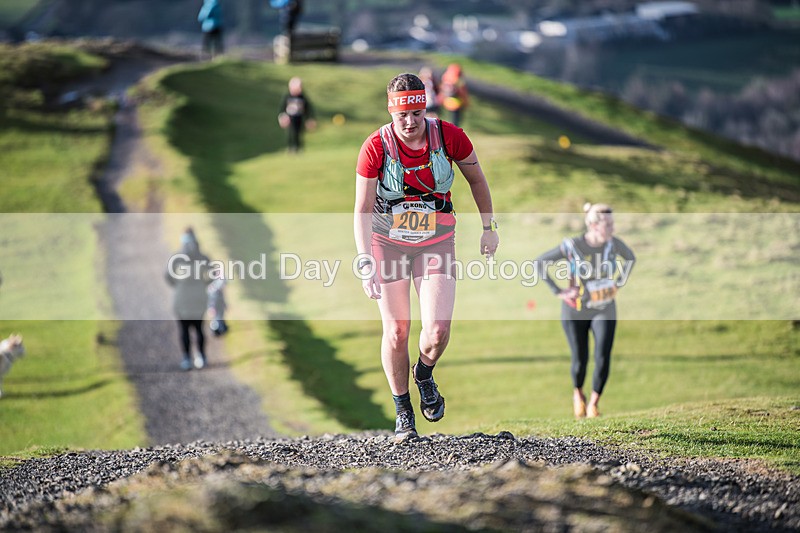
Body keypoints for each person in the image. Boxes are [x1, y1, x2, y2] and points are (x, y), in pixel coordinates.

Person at [354, 72, 499, 439]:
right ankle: (403, 411)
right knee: (397, 330)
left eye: (416, 113)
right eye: (402, 114)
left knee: (436, 331)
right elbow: (363, 209)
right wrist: (364, 260)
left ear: (425, 107)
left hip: (436, 240)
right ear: (391, 111)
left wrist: (488, 228)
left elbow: (478, 181)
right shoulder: (375, 147)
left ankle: (424, 374)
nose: (410, 122)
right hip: (387, 241)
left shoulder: (450, 136)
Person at [535, 203, 636, 418]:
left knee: (602, 356)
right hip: (575, 310)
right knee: (580, 359)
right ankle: (578, 394)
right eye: (607, 225)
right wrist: (559, 292)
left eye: (612, 224)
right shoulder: (572, 246)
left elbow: (630, 258)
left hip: (604, 308)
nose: (612, 229)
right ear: (593, 225)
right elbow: (540, 262)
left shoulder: (613, 244)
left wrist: (618, 283)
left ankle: (593, 404)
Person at [165, 227, 211, 370]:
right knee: (199, 328)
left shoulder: (176, 258)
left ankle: (186, 358)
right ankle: (201, 356)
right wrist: (202, 285)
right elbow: (211, 276)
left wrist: (179, 285)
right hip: (199, 298)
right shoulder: (203, 257)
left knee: (184, 330)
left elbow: (168, 277)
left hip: (182, 298)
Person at [278, 77, 316, 153]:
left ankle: (298, 147)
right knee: (291, 133)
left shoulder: (302, 97)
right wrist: (282, 117)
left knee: (299, 133)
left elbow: (307, 108)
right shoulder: (287, 96)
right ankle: (291, 147)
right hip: (290, 118)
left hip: (299, 117)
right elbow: (282, 108)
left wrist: (309, 118)